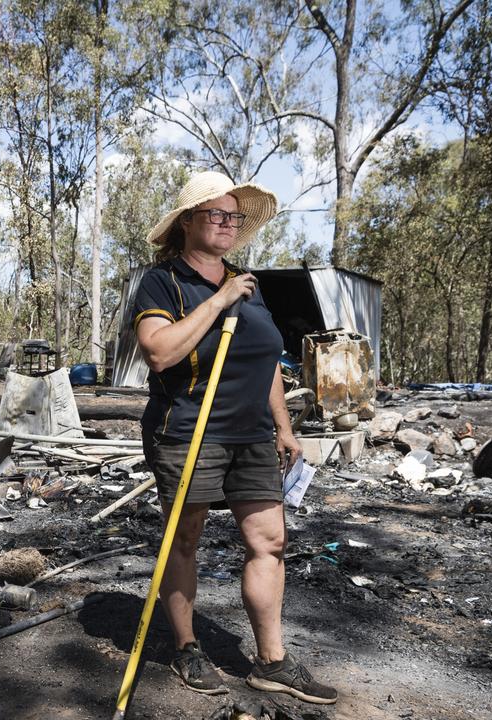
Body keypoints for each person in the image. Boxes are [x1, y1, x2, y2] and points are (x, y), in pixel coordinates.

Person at [130, 171, 337, 705]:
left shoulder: (247, 281)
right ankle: (187, 646)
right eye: (215, 214)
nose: (227, 223)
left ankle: (272, 661)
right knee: (186, 539)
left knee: (269, 541)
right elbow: (159, 352)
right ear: (186, 223)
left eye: (233, 216)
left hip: (250, 434)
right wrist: (217, 301)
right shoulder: (163, 282)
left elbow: (265, 357)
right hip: (189, 430)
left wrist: (284, 426)